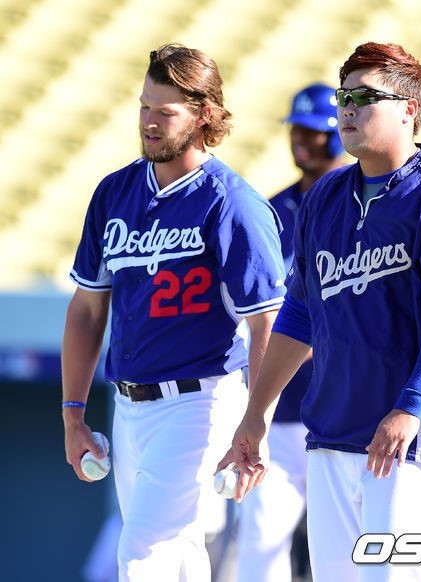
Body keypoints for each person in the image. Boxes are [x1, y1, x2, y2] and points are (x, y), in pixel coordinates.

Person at [219, 41, 421, 582]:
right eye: (344, 96)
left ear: (409, 109)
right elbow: (299, 315)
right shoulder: (325, 198)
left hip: (415, 443)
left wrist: (409, 408)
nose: (347, 107)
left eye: (365, 97)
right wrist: (256, 412)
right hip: (331, 434)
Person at [61, 43, 286, 582]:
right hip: (128, 405)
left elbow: (267, 325)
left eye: (165, 112)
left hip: (199, 402)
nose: (149, 122)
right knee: (179, 557)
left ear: (204, 115)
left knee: (144, 554)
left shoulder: (232, 202)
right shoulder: (115, 193)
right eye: (144, 107)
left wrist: (254, 422)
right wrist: (73, 415)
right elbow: (87, 310)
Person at [235, 83, 344, 582]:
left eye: (313, 132)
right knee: (260, 544)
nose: (301, 140)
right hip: (280, 411)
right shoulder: (274, 208)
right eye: (296, 129)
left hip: (342, 409)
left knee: (344, 552)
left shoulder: (364, 204)